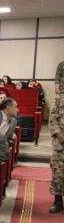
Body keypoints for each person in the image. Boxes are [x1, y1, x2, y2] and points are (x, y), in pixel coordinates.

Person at [49, 60, 64, 212]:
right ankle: (58, 201)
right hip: (60, 144)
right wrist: (60, 136)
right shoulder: (59, 99)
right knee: (58, 173)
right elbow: (52, 120)